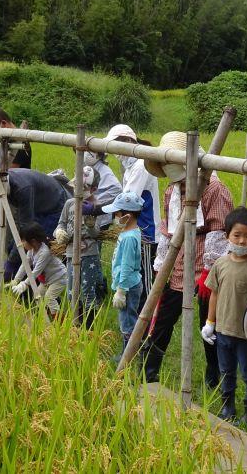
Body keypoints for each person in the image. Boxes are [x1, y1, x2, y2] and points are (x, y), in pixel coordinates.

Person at [141, 131, 233, 389]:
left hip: (208, 263)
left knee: (209, 323)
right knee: (164, 316)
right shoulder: (171, 190)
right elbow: (166, 229)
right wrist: (161, 263)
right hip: (179, 257)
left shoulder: (214, 188)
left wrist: (208, 270)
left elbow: (219, 231)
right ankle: (149, 370)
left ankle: (215, 376)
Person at [201, 207, 247, 423]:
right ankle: (227, 408)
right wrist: (210, 323)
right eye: (237, 235)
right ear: (227, 236)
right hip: (223, 332)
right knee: (226, 371)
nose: (241, 241)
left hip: (245, 335)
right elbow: (214, 295)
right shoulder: (220, 264)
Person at [0, 164, 70, 280]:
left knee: (38, 249)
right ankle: (19, 284)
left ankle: (42, 287)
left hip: (54, 205)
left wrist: (11, 262)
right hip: (37, 207)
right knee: (15, 248)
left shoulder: (21, 188)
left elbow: (26, 229)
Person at [105, 124, 161, 295]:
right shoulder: (129, 165)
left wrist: (96, 209)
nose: (116, 152)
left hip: (145, 232)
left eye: (117, 145)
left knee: (143, 278)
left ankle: (146, 317)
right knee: (132, 273)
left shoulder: (141, 165)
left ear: (129, 141)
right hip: (133, 228)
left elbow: (128, 199)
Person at [55, 166, 104, 328]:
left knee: (88, 290)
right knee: (71, 292)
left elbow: (97, 233)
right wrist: (60, 232)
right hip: (70, 253)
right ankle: (76, 324)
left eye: (83, 188)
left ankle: (89, 327)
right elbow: (61, 222)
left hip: (89, 254)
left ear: (93, 189)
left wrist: (90, 226)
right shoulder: (69, 204)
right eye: (77, 186)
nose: (79, 191)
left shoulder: (95, 205)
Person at [105, 191, 145, 354]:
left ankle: (128, 355)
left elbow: (127, 266)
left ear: (126, 216)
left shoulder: (129, 238)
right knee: (126, 318)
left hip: (128, 286)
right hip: (128, 283)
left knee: (128, 322)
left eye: (117, 213)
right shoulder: (128, 233)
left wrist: (121, 291)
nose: (114, 216)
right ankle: (127, 352)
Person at [9, 222, 67, 319]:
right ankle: (45, 319)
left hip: (58, 278)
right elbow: (25, 265)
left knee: (49, 298)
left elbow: (36, 272)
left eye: (23, 240)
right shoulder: (31, 250)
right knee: (38, 296)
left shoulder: (45, 252)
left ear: (33, 241)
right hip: (46, 280)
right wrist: (16, 280)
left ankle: (60, 323)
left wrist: (25, 284)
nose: (21, 243)